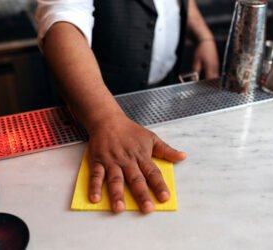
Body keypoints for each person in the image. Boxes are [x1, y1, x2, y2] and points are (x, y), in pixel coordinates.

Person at [36, 0, 219, 214]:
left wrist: (204, 37)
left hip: (162, 95)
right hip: (99, 113)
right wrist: (106, 120)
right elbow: (62, 20)